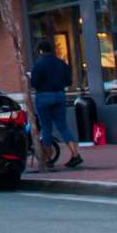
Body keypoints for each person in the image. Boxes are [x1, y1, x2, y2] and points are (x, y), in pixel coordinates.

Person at [30, 39, 81, 170]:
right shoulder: (61, 63)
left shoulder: (38, 64)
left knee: (46, 128)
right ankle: (75, 154)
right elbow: (69, 81)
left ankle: (48, 159)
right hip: (59, 95)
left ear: (40, 51)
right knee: (63, 126)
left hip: (43, 96)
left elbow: (34, 83)